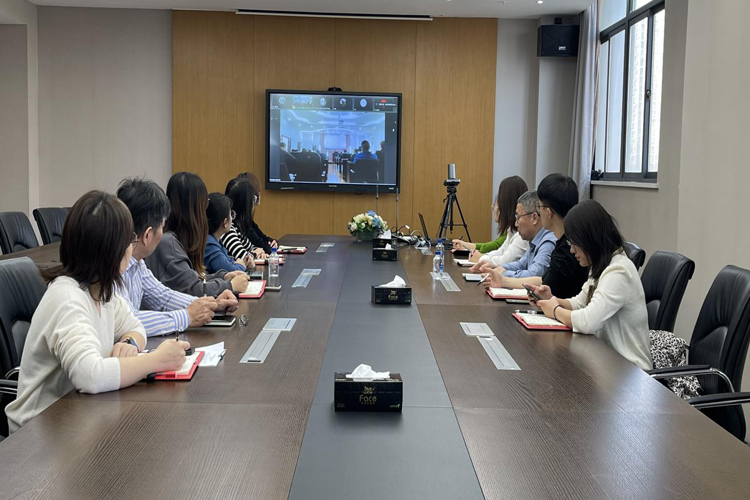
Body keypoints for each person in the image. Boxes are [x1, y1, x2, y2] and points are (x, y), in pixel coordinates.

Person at [5, 191, 189, 433]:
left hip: (77, 418)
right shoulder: (67, 298)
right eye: (129, 241)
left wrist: (129, 342)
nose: (131, 248)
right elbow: (90, 376)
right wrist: (156, 360)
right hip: (36, 434)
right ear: (110, 250)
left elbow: (135, 326)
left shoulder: (102, 289)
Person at [527, 200, 651, 370]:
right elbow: (580, 302)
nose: (572, 250)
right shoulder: (602, 264)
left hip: (630, 372)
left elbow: (588, 322)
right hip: (606, 362)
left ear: (589, 239)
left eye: (574, 244)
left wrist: (555, 310)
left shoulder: (619, 271)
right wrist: (550, 299)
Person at [116, 178, 238, 337]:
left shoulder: (137, 264)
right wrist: (187, 316)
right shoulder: (113, 265)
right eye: (162, 226)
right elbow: (127, 321)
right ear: (147, 235)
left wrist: (210, 305)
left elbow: (162, 296)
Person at [483, 174, 589, 298]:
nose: (537, 211)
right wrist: (499, 270)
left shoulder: (563, 246)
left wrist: (503, 277)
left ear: (548, 212)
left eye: (539, 207)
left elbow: (542, 280)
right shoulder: (561, 241)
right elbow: (533, 272)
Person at [145, 172, 250, 296]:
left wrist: (223, 277)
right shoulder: (169, 242)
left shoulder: (177, 239)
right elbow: (193, 289)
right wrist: (230, 286)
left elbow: (193, 278)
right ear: (194, 208)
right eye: (204, 205)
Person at [483, 190, 556, 288]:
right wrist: (497, 268)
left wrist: (504, 273)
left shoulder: (548, 242)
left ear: (534, 218)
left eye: (518, 217)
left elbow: (534, 274)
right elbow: (521, 264)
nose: (516, 223)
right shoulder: (535, 240)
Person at [455, 176, 528, 265]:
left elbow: (504, 261)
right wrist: (481, 257)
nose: (494, 207)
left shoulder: (522, 236)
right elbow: (500, 252)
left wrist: (480, 258)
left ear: (505, 205)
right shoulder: (511, 231)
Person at [205, 193, 251, 274]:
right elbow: (230, 270)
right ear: (225, 222)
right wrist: (242, 265)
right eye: (231, 215)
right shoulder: (209, 245)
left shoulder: (216, 240)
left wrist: (242, 262)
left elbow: (228, 261)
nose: (232, 219)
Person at [235, 172, 277, 256]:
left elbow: (264, 238)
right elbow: (263, 246)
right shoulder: (239, 223)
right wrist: (269, 247)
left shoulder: (247, 220)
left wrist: (273, 242)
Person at [221, 178, 257, 263]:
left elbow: (251, 247)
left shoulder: (238, 226)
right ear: (245, 204)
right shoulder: (227, 229)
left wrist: (257, 251)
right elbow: (244, 257)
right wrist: (256, 253)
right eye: (252, 199)